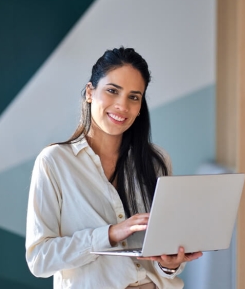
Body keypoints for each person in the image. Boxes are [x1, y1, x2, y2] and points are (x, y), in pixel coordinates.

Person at [25, 46, 203, 289]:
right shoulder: (54, 162)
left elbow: (166, 252)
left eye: (134, 96)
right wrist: (109, 234)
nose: (122, 105)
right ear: (90, 92)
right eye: (112, 91)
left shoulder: (156, 160)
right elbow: (39, 259)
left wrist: (170, 264)